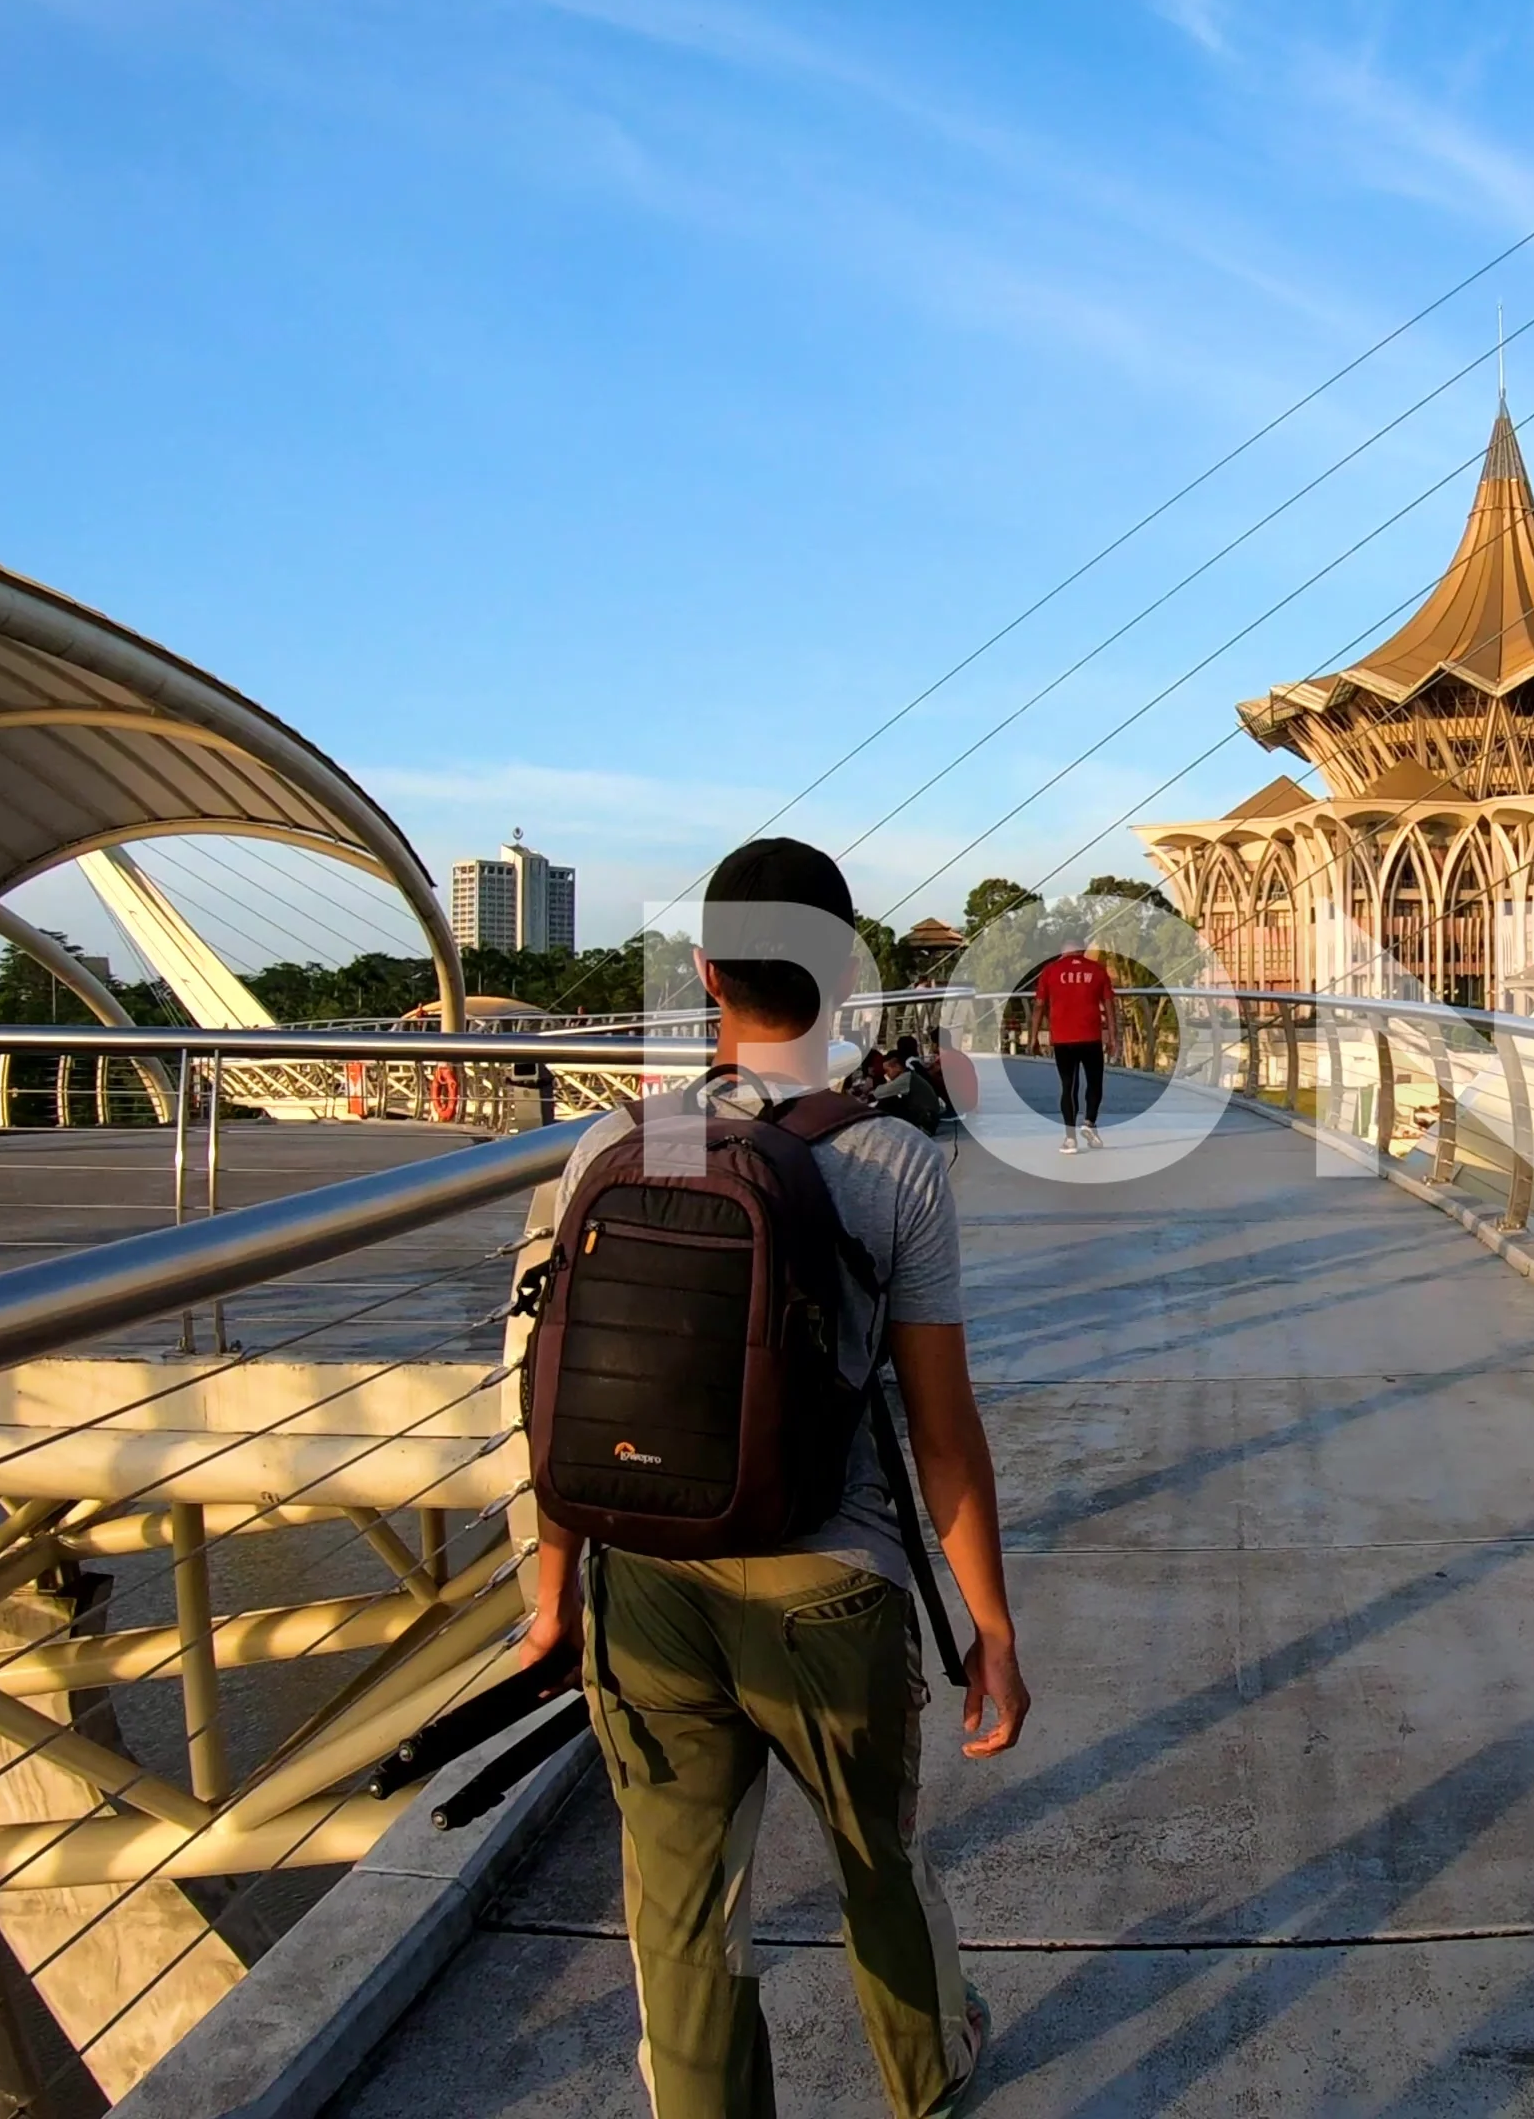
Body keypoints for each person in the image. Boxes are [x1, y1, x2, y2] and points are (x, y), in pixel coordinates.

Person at [521, 837, 1030, 2119]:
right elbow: (942, 1429)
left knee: (683, 1912)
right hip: (828, 1583)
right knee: (880, 1866)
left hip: (645, 1578)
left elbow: (550, 1399)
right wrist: (992, 1627)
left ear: (704, 974)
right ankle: (928, 2081)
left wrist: (550, 1595)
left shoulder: (619, 1149)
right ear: (847, 975)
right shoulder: (894, 1160)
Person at [1033, 940, 1115, 1152]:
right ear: (1082, 951)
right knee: (1094, 1082)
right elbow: (1109, 1004)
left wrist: (1033, 1037)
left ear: (1063, 953)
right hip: (1091, 1037)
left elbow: (1039, 1005)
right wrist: (1113, 1037)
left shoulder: (1050, 971)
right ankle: (1089, 1123)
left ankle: (1070, 1139)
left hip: (1063, 1039)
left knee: (1068, 1086)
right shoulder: (1097, 970)